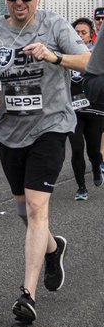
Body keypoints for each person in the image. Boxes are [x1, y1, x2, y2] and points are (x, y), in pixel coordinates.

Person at [0, 0, 89, 325]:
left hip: (50, 126)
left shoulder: (56, 26)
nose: (19, 2)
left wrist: (54, 57)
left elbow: (90, 61)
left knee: (35, 208)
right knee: (22, 210)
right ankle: (52, 247)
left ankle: (28, 294)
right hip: (8, 130)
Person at [66, 18, 101, 201]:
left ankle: (96, 165)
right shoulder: (63, 55)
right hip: (73, 111)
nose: (79, 35)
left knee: (93, 151)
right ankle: (81, 187)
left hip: (95, 111)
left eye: (83, 33)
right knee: (77, 149)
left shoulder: (98, 53)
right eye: (76, 33)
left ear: (90, 36)